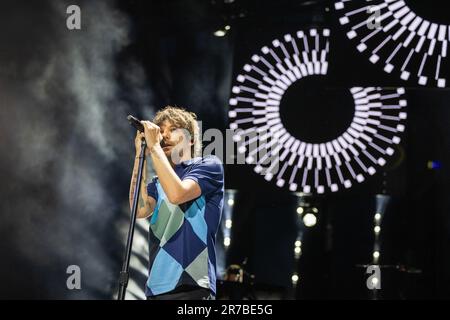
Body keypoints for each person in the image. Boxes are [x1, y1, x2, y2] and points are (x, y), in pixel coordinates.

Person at [129, 106, 224, 300]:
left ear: (190, 139)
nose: (163, 136)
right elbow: (138, 211)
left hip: (193, 284)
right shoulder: (157, 183)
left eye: (172, 129)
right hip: (156, 286)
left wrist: (154, 146)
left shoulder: (209, 165)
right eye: (160, 131)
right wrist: (141, 157)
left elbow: (177, 194)